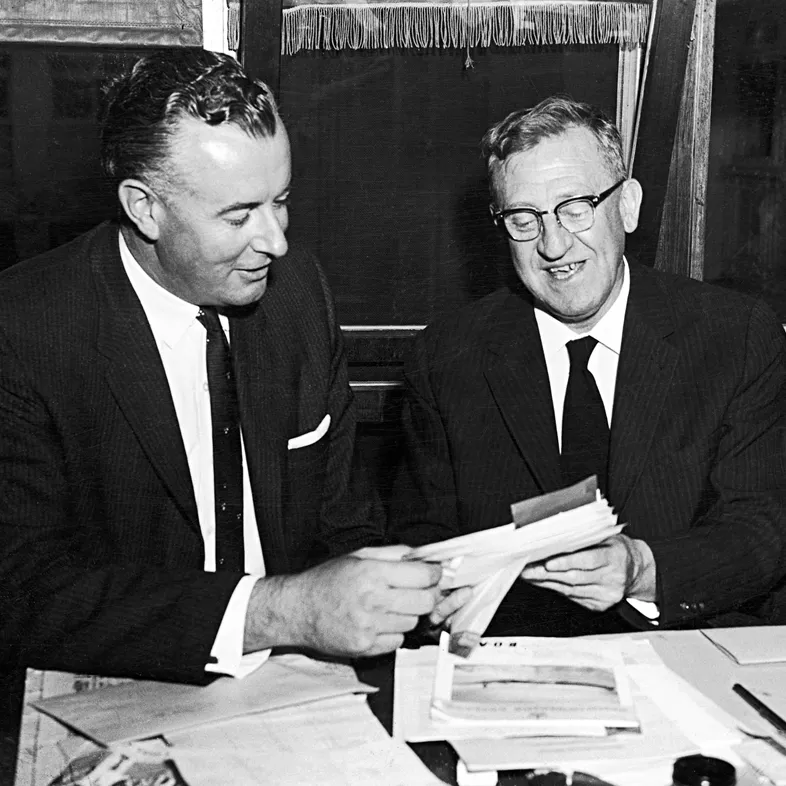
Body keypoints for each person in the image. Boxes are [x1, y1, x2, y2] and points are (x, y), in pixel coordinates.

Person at [0, 49, 456, 690]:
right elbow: (22, 590)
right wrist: (277, 613)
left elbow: (343, 522)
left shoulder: (298, 293)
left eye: (281, 201)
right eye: (239, 216)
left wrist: (393, 591)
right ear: (145, 208)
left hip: (302, 684)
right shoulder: (23, 328)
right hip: (123, 686)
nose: (276, 241)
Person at [389, 95, 786, 637]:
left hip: (684, 649)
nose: (554, 245)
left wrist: (642, 568)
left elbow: (763, 528)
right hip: (513, 658)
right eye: (524, 219)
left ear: (628, 206)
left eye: (576, 208)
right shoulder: (446, 357)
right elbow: (421, 539)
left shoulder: (735, 337)